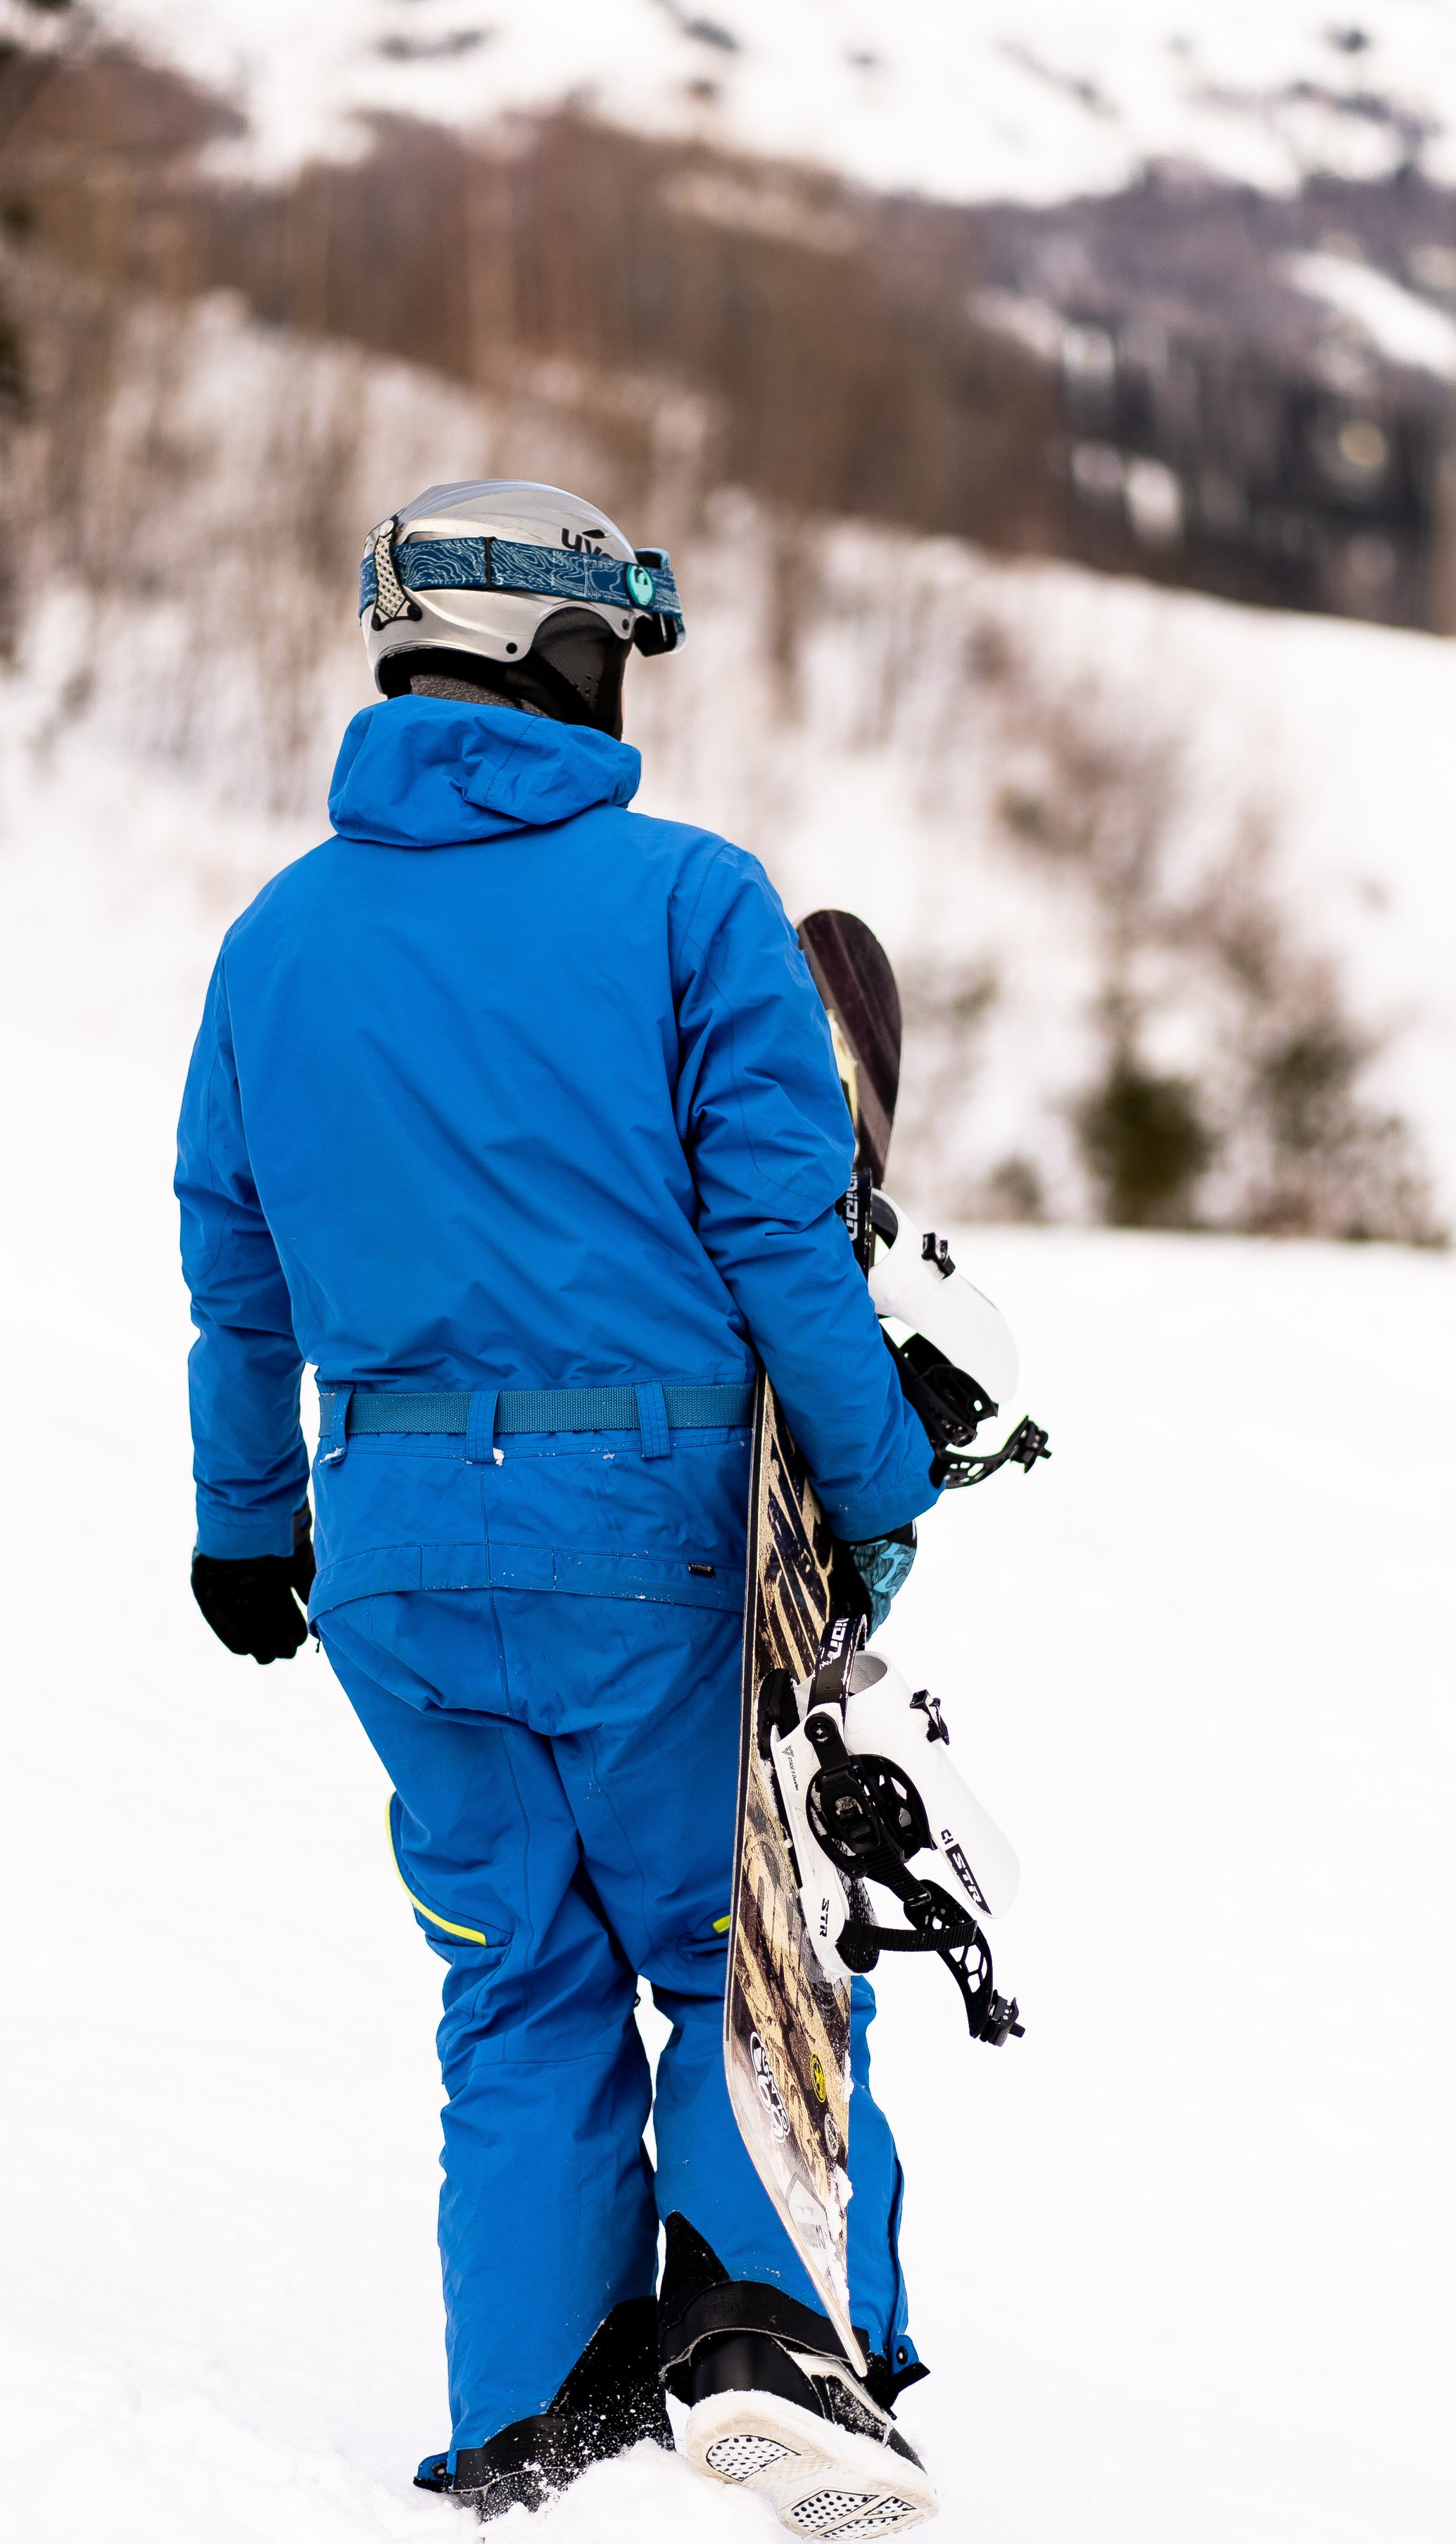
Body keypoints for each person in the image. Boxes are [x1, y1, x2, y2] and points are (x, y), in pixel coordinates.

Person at [175, 480, 942, 2529]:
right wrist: (880, 1490)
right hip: (656, 1535)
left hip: (397, 1561)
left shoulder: (274, 943)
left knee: (512, 1982)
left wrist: (246, 1525)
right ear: (556, 654)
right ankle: (772, 2352)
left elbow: (234, 1273)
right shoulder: (691, 905)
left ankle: (536, 2429)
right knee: (736, 1942)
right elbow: (785, 1246)